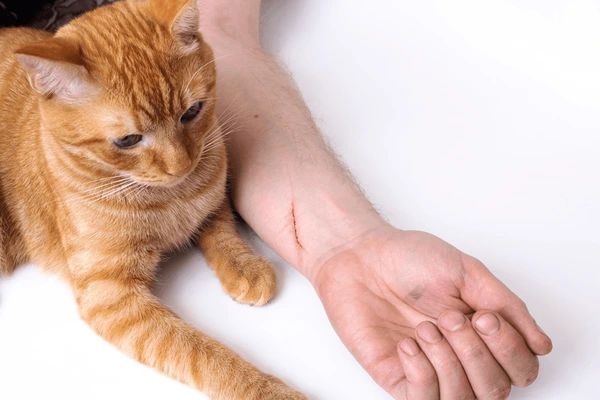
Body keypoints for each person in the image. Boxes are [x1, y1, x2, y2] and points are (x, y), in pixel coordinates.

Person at [4, 1, 553, 398]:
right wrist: (246, 387)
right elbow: (107, 302)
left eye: (192, 114)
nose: (178, 163)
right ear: (50, 90)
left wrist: (346, 242)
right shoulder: (68, 122)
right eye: (128, 141)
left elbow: (219, 31)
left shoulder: (175, 66)